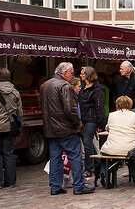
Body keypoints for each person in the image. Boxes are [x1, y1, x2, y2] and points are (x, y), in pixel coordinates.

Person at [41, 62, 92, 196]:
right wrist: (78, 124)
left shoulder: (44, 85)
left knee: (55, 158)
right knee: (75, 156)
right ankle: (79, 185)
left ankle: (55, 186)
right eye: (71, 73)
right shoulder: (64, 86)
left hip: (51, 128)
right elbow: (70, 109)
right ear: (64, 73)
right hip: (65, 129)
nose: (73, 75)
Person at [101, 95, 135, 185]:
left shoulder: (112, 115)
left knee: (102, 154)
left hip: (111, 149)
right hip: (128, 149)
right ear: (130, 104)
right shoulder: (134, 116)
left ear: (117, 104)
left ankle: (103, 171)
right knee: (131, 151)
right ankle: (134, 175)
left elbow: (108, 128)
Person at [78, 66, 106, 184]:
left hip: (92, 119)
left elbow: (99, 107)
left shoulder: (97, 89)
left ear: (88, 74)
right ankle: (96, 163)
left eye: (83, 73)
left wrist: (100, 123)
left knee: (87, 141)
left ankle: (89, 168)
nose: (80, 75)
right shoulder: (83, 87)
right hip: (84, 118)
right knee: (87, 143)